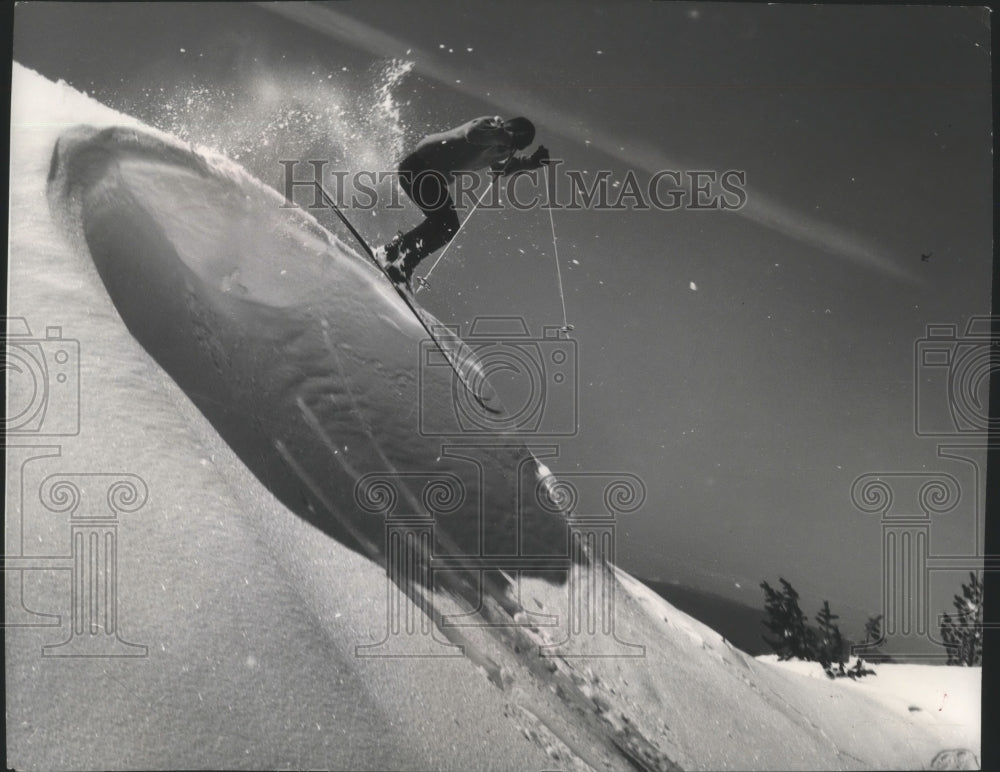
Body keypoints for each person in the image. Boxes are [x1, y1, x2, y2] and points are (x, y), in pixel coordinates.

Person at [381, 116, 549, 287]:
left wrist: (530, 163)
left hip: (432, 178)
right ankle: (395, 256)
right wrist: (507, 137)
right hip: (418, 167)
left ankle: (399, 259)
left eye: (515, 147)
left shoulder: (501, 149)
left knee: (447, 227)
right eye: (514, 141)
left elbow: (501, 170)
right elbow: (472, 134)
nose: (510, 148)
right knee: (445, 223)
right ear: (510, 130)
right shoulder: (490, 125)